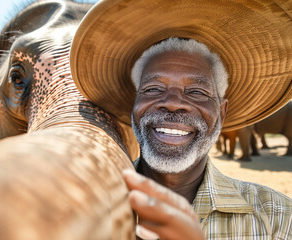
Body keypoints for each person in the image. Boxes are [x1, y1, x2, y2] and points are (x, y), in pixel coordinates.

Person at [70, 0, 292, 239]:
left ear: (222, 112)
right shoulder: (83, 214)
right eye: (153, 89)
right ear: (134, 105)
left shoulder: (277, 217)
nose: (173, 102)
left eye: (197, 92)